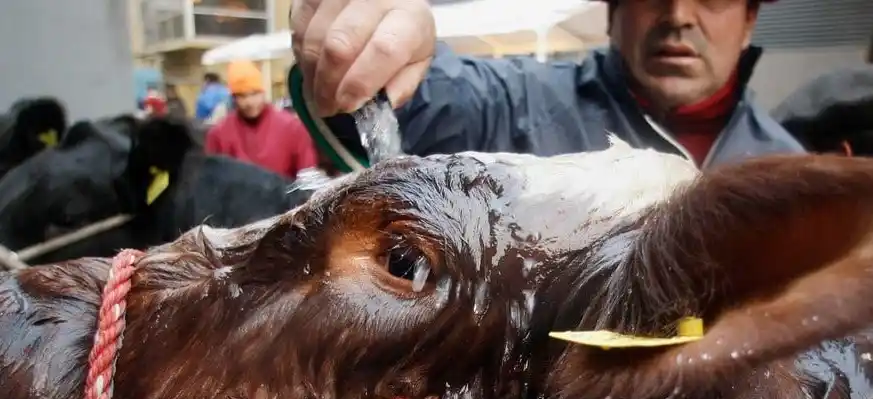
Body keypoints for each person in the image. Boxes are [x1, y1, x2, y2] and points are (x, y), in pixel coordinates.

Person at [290, 0, 802, 168]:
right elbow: (420, 109)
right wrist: (372, 46)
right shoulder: (515, 105)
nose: (678, 15)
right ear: (612, 15)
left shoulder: (787, 167)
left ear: (749, 20)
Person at [205, 59, 320, 179]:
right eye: (242, 96)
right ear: (233, 98)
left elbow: (308, 176)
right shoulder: (219, 134)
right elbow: (213, 179)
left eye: (254, 93)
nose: (249, 102)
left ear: (262, 92)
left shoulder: (292, 128)